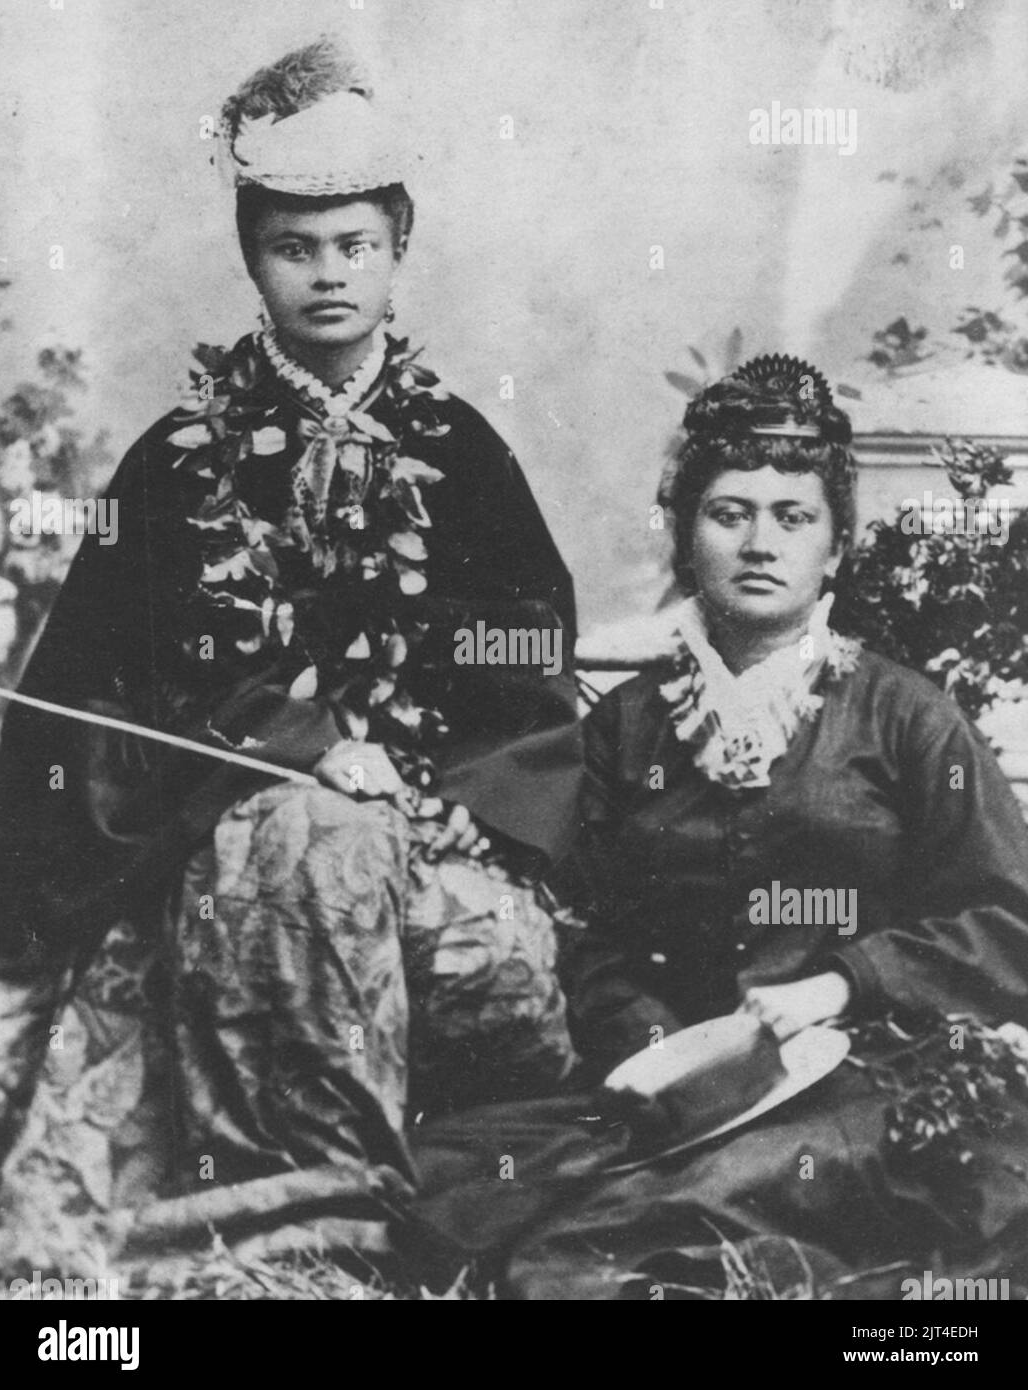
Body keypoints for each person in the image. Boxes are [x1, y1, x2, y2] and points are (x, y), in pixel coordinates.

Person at [0, 36, 581, 1251]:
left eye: (354, 245)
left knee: (353, 858)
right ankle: (304, 1223)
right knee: (296, 837)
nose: (327, 276)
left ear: (398, 249)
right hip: (208, 839)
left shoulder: (463, 456)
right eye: (292, 247)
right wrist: (295, 747)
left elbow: (524, 671)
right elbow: (104, 697)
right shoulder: (175, 465)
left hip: (430, 850)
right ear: (250, 257)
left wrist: (454, 793)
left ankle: (328, 1217)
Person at [408, 354, 1028, 1300]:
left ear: (837, 546)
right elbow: (587, 930)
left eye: (793, 517)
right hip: (681, 1093)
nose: (759, 542)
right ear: (686, 535)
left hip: (867, 1078)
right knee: (443, 1189)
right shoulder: (629, 724)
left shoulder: (905, 717)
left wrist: (840, 982)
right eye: (728, 513)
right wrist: (654, 1047)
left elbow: (1007, 924)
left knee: (607, 1243)